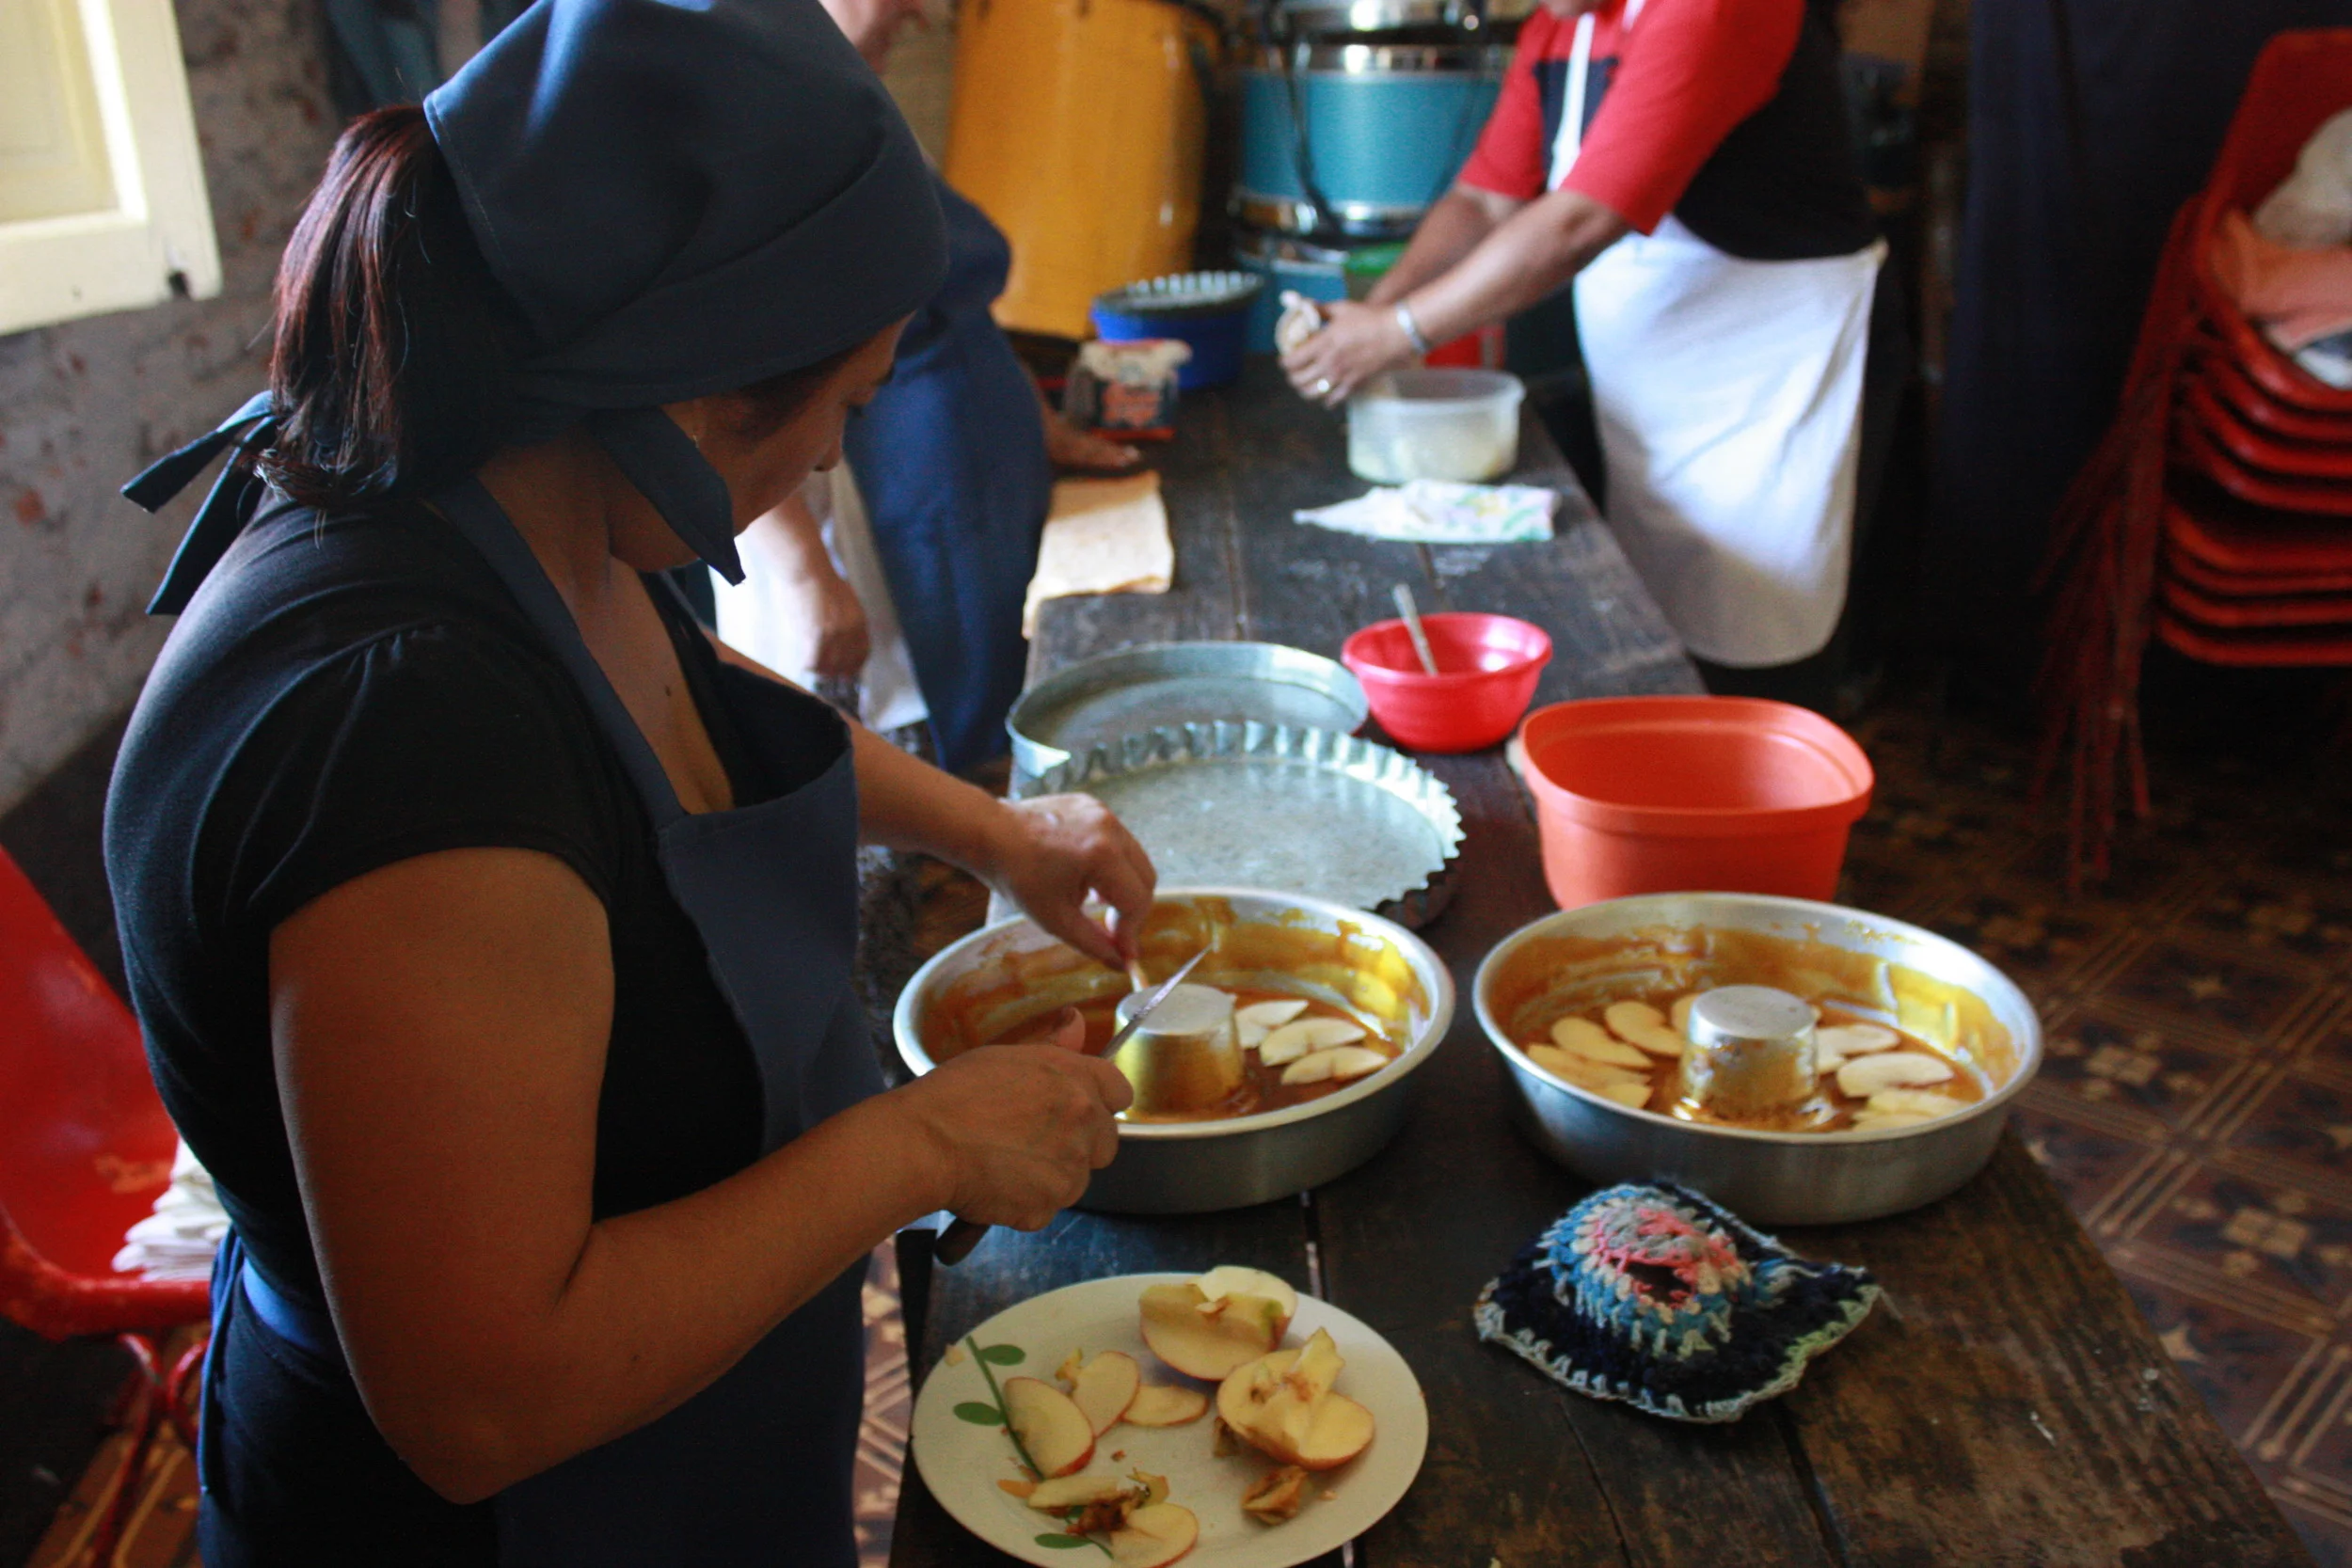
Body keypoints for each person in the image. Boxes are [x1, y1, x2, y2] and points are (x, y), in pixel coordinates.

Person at [104, 2, 1152, 1561]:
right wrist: (917, 1144)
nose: (822, 471)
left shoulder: (535, 489)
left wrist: (996, 832)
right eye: (842, 416)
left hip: (701, 1444)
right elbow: (483, 1400)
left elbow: (668, 695)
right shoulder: (401, 750)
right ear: (688, 387)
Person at [1281, 0, 1889, 704]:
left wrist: (1397, 335)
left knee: (1759, 649)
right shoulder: (1559, 27)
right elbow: (1484, 201)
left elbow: (1581, 220)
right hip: (1660, 388)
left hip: (1777, 375)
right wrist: (1375, 315)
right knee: (1664, 632)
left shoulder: (1716, 9)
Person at [716, 0, 1139, 774]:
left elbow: (947, 300)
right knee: (885, 768)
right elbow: (719, 384)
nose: (920, 13)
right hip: (856, 531)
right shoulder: (740, 121)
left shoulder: (840, 104)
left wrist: (1032, 416)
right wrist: (805, 571)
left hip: (956, 502)